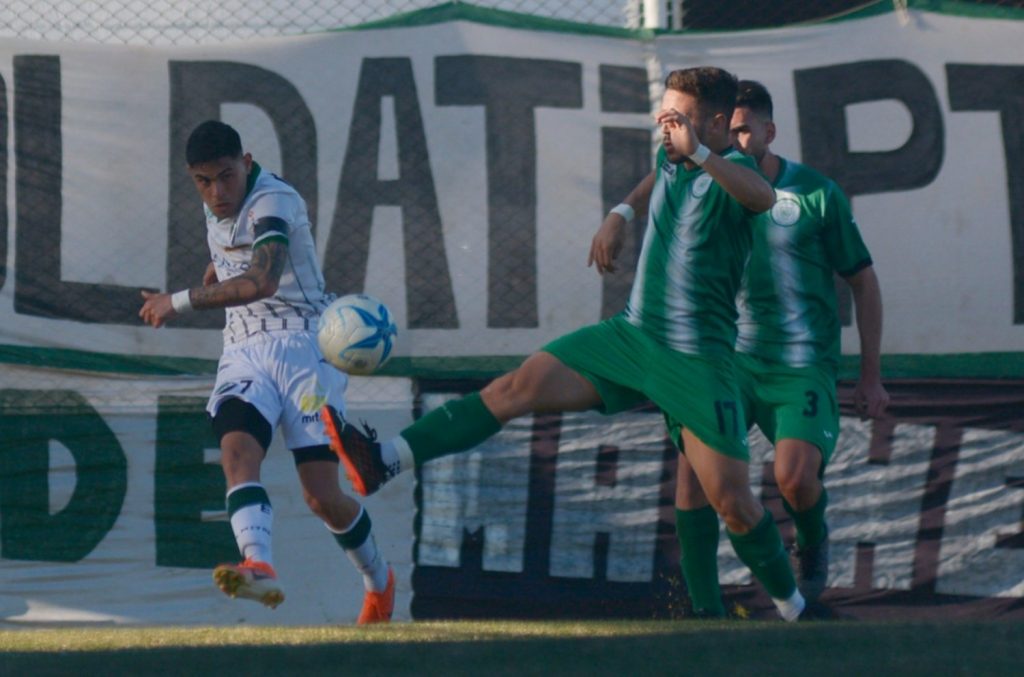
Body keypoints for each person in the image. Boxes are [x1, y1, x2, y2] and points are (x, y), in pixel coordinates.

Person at [324, 67, 810, 622]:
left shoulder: (735, 168)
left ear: (717, 124)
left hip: (697, 361)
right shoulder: (674, 154)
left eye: (679, 117)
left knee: (733, 503)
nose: (665, 124)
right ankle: (384, 460)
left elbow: (762, 197)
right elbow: (655, 178)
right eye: (665, 112)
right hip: (631, 336)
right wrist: (620, 214)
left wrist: (698, 152)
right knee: (516, 386)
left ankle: (795, 612)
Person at [603, 80, 889, 617]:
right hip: (724, 359)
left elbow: (863, 281)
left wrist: (870, 374)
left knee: (794, 479)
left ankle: (812, 538)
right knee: (694, 475)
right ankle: (703, 612)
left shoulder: (815, 195)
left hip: (799, 365)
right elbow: (658, 176)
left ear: (768, 132)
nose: (731, 138)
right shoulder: (701, 176)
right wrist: (621, 212)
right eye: (723, 129)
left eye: (742, 130)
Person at [139, 120, 394, 624]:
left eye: (226, 176)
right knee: (236, 452)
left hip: (305, 350)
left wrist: (179, 300)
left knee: (321, 496)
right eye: (204, 181)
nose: (217, 191)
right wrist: (218, 266)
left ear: (247, 162)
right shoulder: (217, 203)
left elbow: (262, 280)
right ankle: (258, 564)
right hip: (243, 350)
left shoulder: (274, 200)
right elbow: (234, 251)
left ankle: (380, 582)